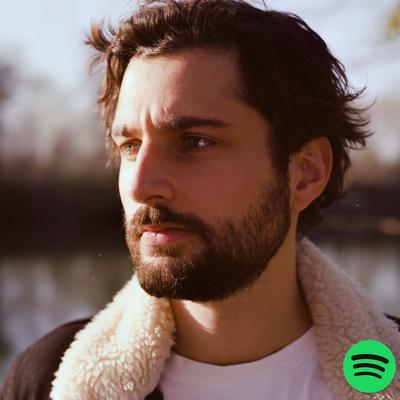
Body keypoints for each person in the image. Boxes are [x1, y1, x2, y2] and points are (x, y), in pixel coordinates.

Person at [1, 0, 400, 399]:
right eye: (131, 146)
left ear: (305, 173)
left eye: (195, 142)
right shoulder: (48, 381)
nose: (141, 185)